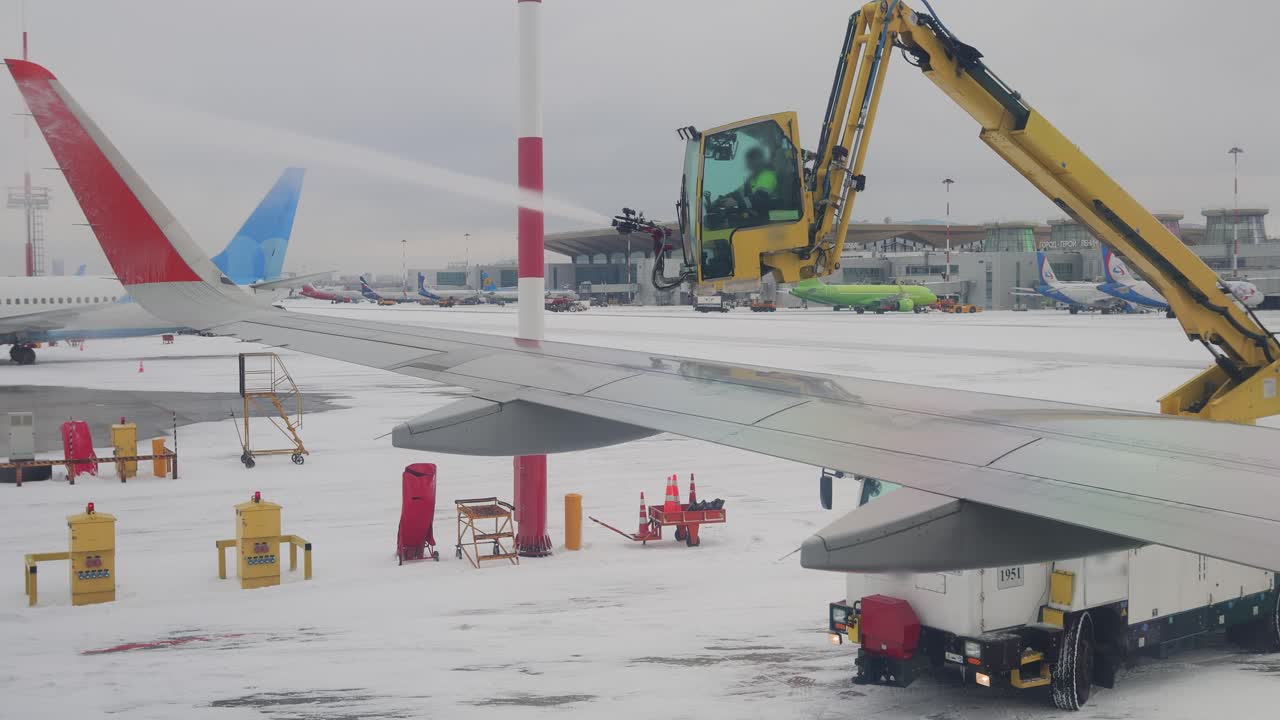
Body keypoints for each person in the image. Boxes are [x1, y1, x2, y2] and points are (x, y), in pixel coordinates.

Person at [714, 147, 779, 225]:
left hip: (769, 219)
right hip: (756, 215)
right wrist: (722, 199)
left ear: (758, 161)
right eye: (748, 162)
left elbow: (760, 198)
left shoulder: (768, 175)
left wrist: (737, 202)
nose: (748, 165)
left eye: (750, 161)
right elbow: (739, 192)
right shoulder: (753, 177)